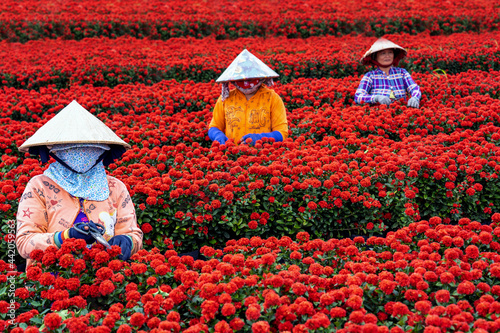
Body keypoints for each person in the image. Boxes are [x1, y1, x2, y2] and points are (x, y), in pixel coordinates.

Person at [16, 100, 143, 267]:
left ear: (102, 150)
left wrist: (128, 241)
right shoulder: (39, 186)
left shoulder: (115, 188)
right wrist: (66, 237)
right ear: (56, 151)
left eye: (89, 148)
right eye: (71, 149)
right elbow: (25, 242)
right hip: (51, 281)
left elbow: (133, 233)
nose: (81, 154)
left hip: (106, 280)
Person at [208, 49, 289, 145]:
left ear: (261, 77)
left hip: (263, 157)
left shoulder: (272, 98)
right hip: (232, 155)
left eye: (251, 78)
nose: (246, 83)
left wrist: (261, 138)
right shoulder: (225, 99)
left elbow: (282, 132)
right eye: (241, 79)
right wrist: (217, 135)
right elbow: (214, 126)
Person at [354, 38, 421, 108]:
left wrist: (415, 97)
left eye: (390, 52)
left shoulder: (402, 73)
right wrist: (376, 98)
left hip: (401, 112)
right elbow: (358, 96)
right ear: (375, 57)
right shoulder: (370, 76)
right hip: (379, 114)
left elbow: (414, 88)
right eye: (383, 53)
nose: (387, 56)